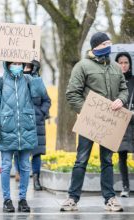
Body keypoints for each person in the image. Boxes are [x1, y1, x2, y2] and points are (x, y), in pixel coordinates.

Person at [62, 32, 128, 212]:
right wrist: (87, 112)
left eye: (110, 42)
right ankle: (72, 198)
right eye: (105, 43)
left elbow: (124, 89)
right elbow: (72, 93)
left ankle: (110, 199)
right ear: (95, 46)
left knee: (107, 160)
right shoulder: (82, 66)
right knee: (81, 160)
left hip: (109, 123)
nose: (109, 45)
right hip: (88, 122)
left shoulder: (115, 67)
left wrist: (121, 100)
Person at [0, 61, 46, 213]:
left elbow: (40, 93)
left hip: (25, 129)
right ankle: (7, 200)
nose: (17, 65)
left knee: (25, 166)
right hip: (7, 129)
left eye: (19, 63)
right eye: (13, 63)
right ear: (7, 64)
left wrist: (35, 73)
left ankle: (22, 199)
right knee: (6, 165)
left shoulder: (28, 80)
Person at [14, 61, 51, 190]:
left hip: (36, 122)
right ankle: (19, 173)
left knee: (36, 153)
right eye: (24, 66)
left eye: (29, 67)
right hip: (20, 121)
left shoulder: (37, 81)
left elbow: (46, 100)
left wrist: (41, 113)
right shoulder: (14, 81)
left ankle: (36, 179)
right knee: (19, 151)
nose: (26, 69)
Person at [115, 52, 134, 198]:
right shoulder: (113, 81)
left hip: (133, 123)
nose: (123, 65)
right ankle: (125, 187)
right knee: (122, 156)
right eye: (120, 62)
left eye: (126, 62)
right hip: (120, 124)